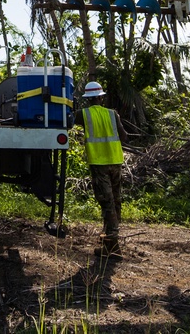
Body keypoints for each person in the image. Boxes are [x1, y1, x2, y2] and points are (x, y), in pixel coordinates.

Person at [75, 80, 126, 259]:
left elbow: (67, 120)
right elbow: (124, 135)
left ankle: (112, 245)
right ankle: (111, 243)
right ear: (101, 98)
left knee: (107, 202)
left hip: (99, 163)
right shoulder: (113, 114)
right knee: (116, 200)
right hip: (116, 160)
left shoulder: (83, 114)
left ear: (87, 99)